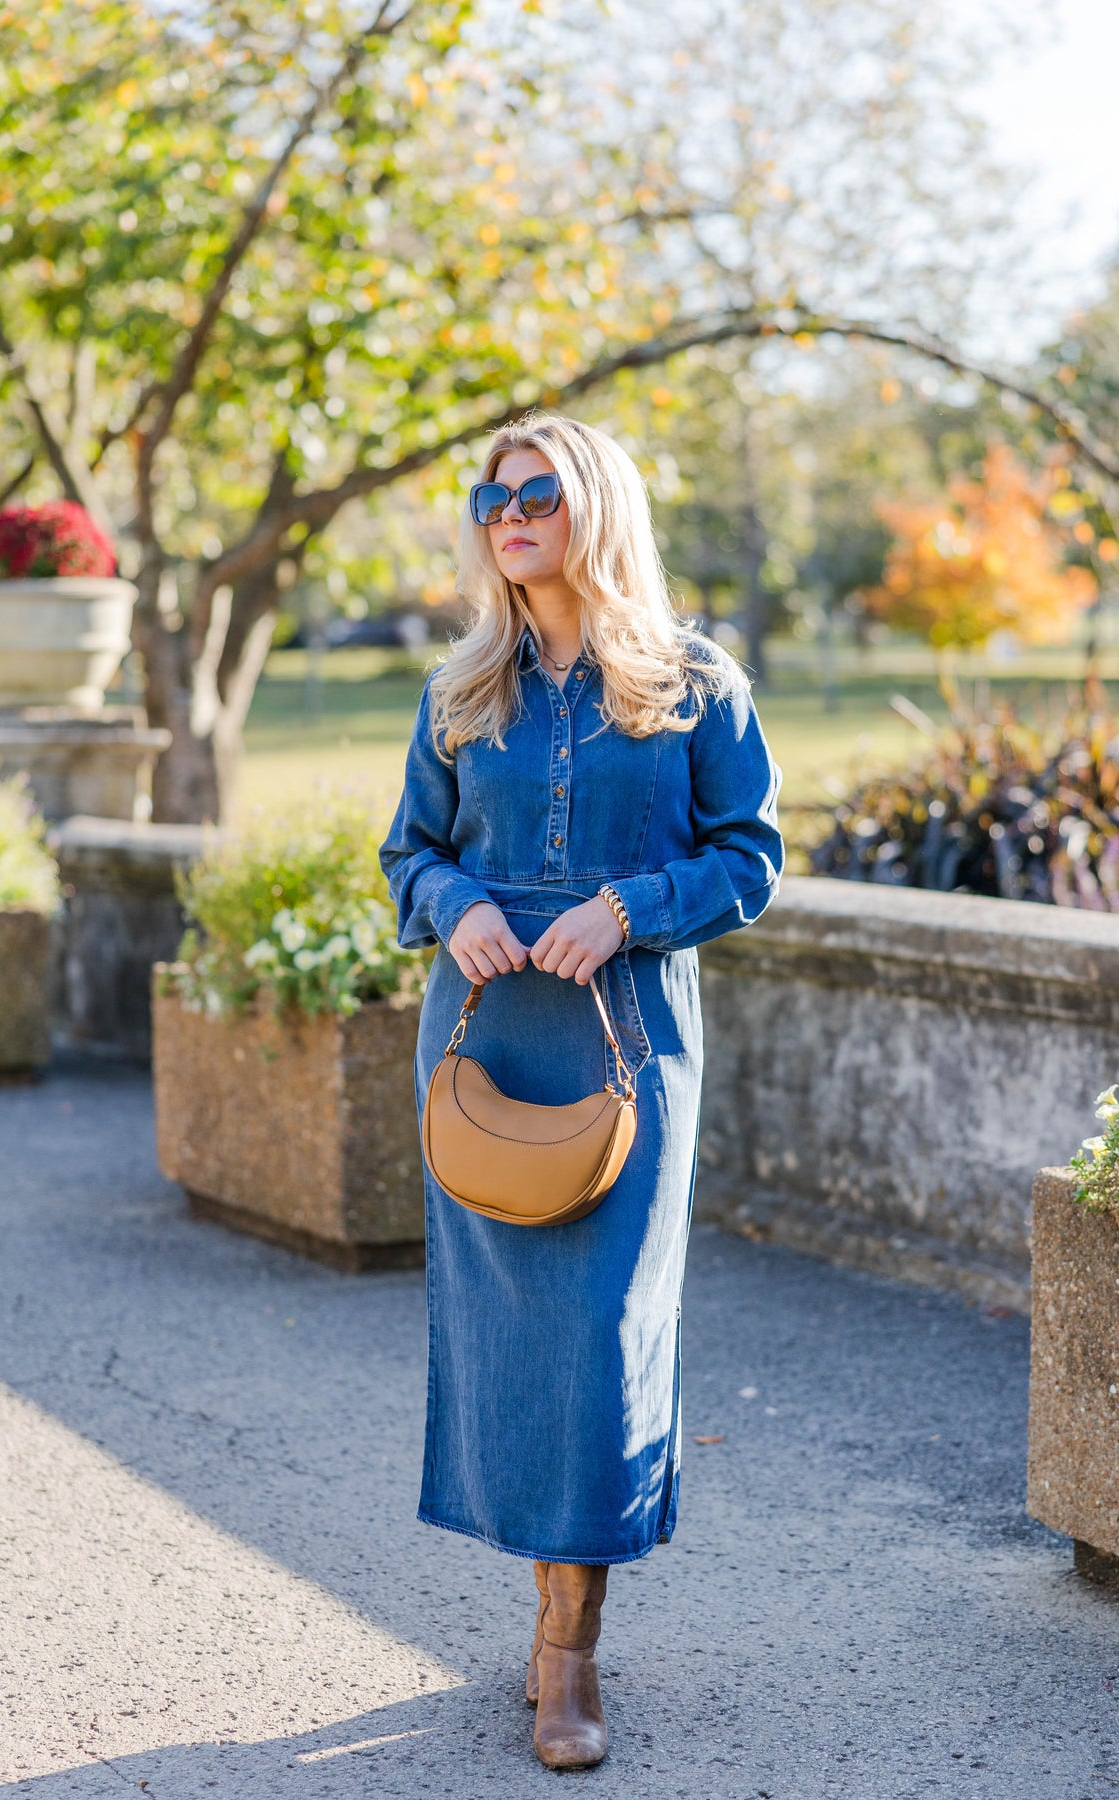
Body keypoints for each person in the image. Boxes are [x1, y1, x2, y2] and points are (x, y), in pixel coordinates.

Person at [378, 412, 784, 1770]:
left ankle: (568, 1661)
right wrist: (452, 905)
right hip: (491, 1041)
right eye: (491, 494)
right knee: (513, 1343)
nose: (509, 512)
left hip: (626, 1039)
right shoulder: (459, 688)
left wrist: (630, 907)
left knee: (604, 1338)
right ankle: (547, 1618)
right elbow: (407, 854)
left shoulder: (693, 680)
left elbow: (751, 857)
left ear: (593, 506)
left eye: (538, 490)